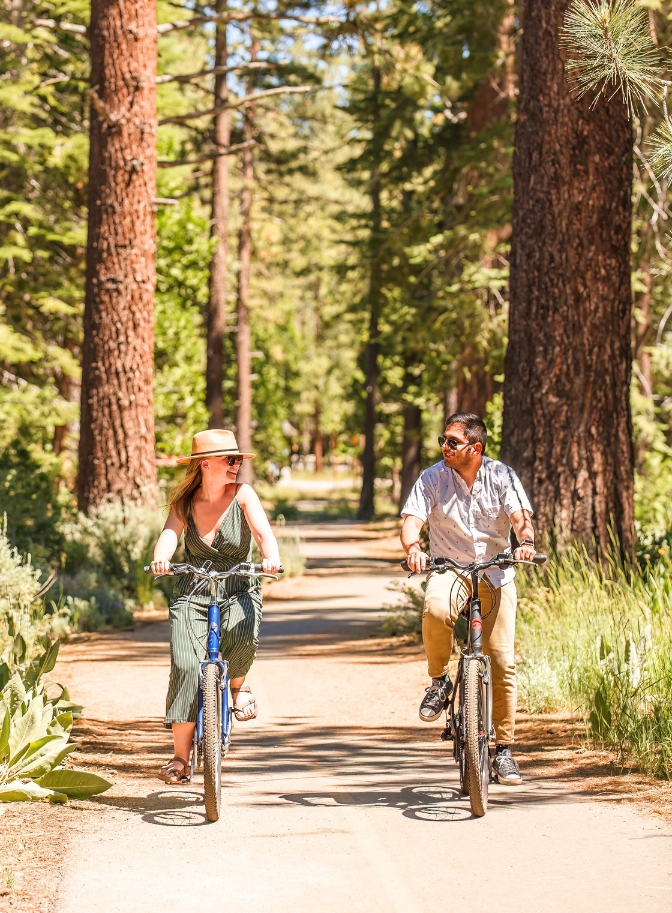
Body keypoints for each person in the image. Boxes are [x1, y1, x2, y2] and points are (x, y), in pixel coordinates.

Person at [400, 412, 536, 786]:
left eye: (453, 442)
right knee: (436, 608)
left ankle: (504, 750)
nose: (445, 447)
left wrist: (525, 544)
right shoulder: (432, 478)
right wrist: (414, 548)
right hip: (450, 568)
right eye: (443, 440)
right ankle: (439, 681)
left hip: (496, 571)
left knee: (503, 661)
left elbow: (521, 518)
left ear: (475, 448)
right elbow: (412, 521)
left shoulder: (502, 476)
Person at [151, 429, 281, 784]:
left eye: (238, 459)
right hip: (193, 589)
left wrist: (271, 559)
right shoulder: (185, 502)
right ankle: (179, 757)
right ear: (205, 464)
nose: (236, 466)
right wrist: (161, 558)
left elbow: (263, 534)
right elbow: (169, 534)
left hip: (239, 584)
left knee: (241, 635)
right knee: (185, 664)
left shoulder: (243, 494)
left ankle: (237, 686)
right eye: (230, 460)